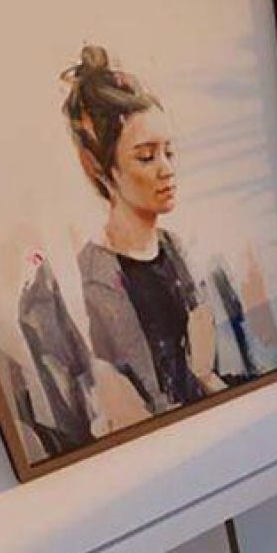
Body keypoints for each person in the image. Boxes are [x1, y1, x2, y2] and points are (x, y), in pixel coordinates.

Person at [60, 45, 228, 415]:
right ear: (97, 166)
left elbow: (206, 370)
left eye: (170, 152)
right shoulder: (95, 276)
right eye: (147, 156)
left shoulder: (175, 249)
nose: (167, 169)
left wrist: (208, 380)